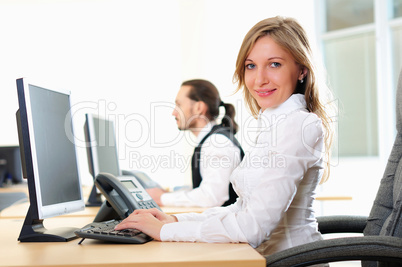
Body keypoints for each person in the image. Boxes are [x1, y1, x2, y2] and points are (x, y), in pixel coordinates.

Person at [116, 16, 335, 257]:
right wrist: (174, 220)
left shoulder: (298, 125)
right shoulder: (274, 122)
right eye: (251, 66)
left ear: (301, 69)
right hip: (259, 256)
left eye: (274, 64)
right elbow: (241, 209)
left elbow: (253, 227)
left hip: (288, 260)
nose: (259, 79)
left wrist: (166, 231)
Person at [146, 79, 244, 207]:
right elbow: (206, 189)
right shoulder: (210, 141)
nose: (173, 113)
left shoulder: (217, 143)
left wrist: (162, 198)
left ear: (199, 108)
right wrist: (169, 194)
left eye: (179, 105)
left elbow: (211, 197)